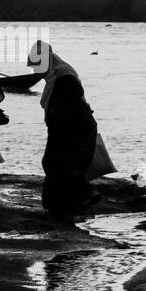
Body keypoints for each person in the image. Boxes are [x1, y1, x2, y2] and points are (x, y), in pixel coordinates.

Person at [27, 40, 101, 218]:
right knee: (58, 165)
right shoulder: (56, 75)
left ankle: (79, 199)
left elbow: (70, 106)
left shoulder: (63, 76)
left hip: (75, 129)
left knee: (60, 165)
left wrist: (60, 127)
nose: (35, 70)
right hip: (67, 127)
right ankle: (65, 206)